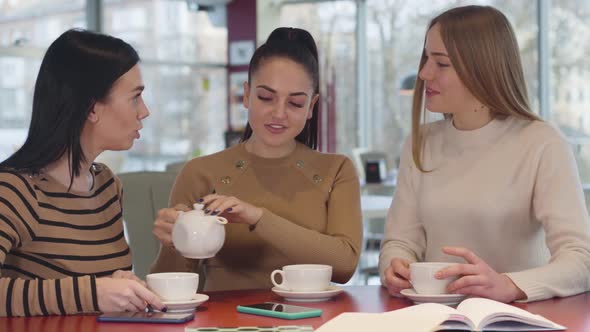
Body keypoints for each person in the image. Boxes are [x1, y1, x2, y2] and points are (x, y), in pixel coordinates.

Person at [379, 5, 590, 303]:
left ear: (482, 68)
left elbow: (581, 259)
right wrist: (394, 265)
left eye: (441, 63)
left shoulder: (543, 143)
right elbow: (400, 241)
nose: (424, 73)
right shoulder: (421, 141)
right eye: (426, 59)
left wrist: (510, 285)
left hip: (517, 317)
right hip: (431, 316)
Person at [151, 27, 363, 291]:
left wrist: (258, 218)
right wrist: (173, 240)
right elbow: (168, 290)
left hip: (314, 322)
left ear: (312, 106)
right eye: (265, 97)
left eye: (295, 103)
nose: (279, 113)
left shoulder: (336, 170)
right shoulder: (201, 172)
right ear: (246, 95)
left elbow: (344, 265)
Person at [0, 29, 165, 317]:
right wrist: (93, 293)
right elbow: (90, 294)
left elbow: (98, 290)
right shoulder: (16, 189)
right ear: (91, 107)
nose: (145, 111)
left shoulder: (106, 185)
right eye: (135, 98)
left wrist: (119, 287)